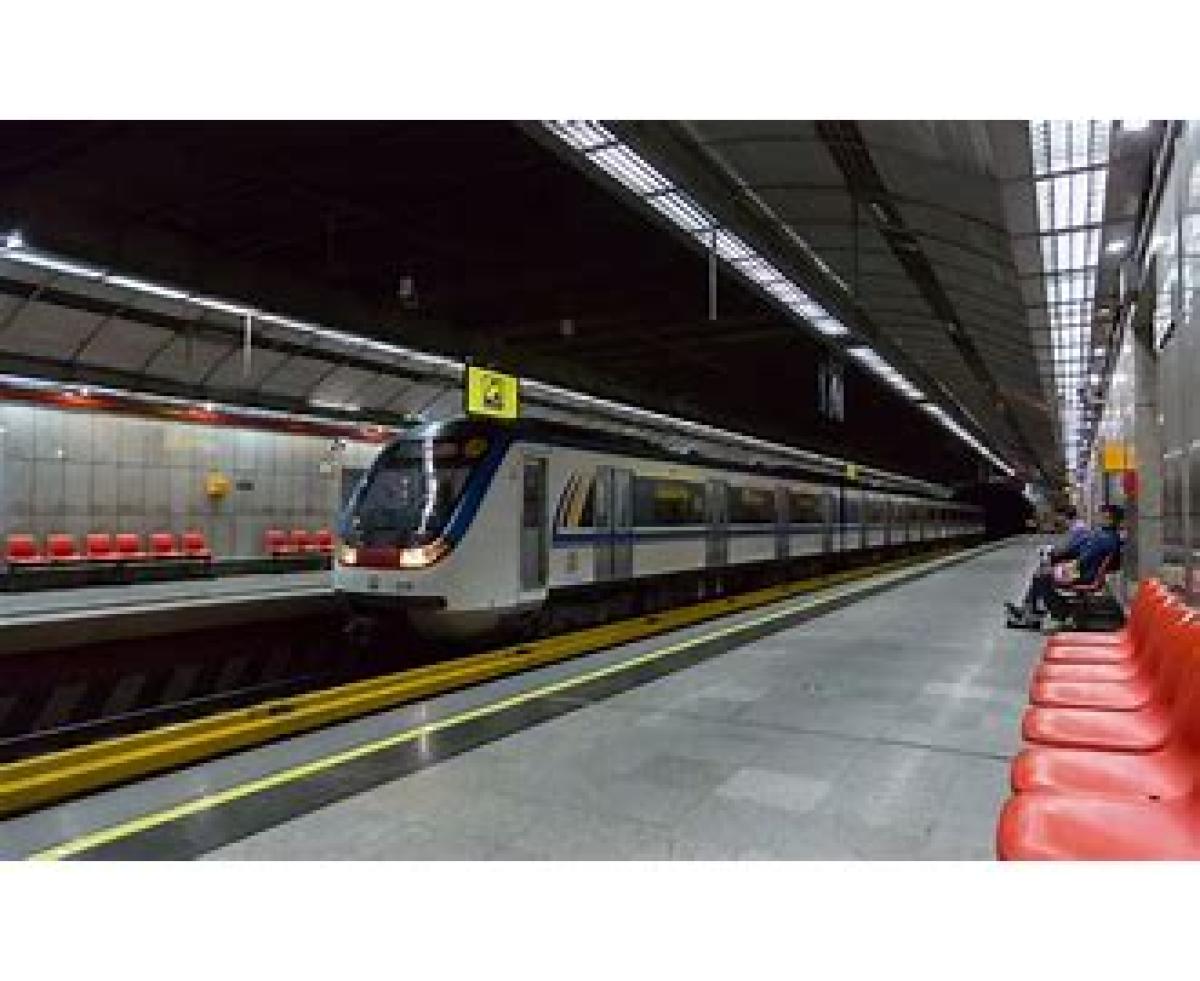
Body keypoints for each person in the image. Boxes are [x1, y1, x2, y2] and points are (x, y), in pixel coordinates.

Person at [1005, 504, 1124, 632]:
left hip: (1084, 574)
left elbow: (1084, 559)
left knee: (1042, 576)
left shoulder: (1105, 538)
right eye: (1101, 515)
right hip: (1084, 570)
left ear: (1111, 520)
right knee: (1042, 571)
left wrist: (1063, 567)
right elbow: (1084, 553)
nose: (1100, 518)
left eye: (1104, 516)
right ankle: (1029, 611)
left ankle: (1061, 612)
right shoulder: (1105, 536)